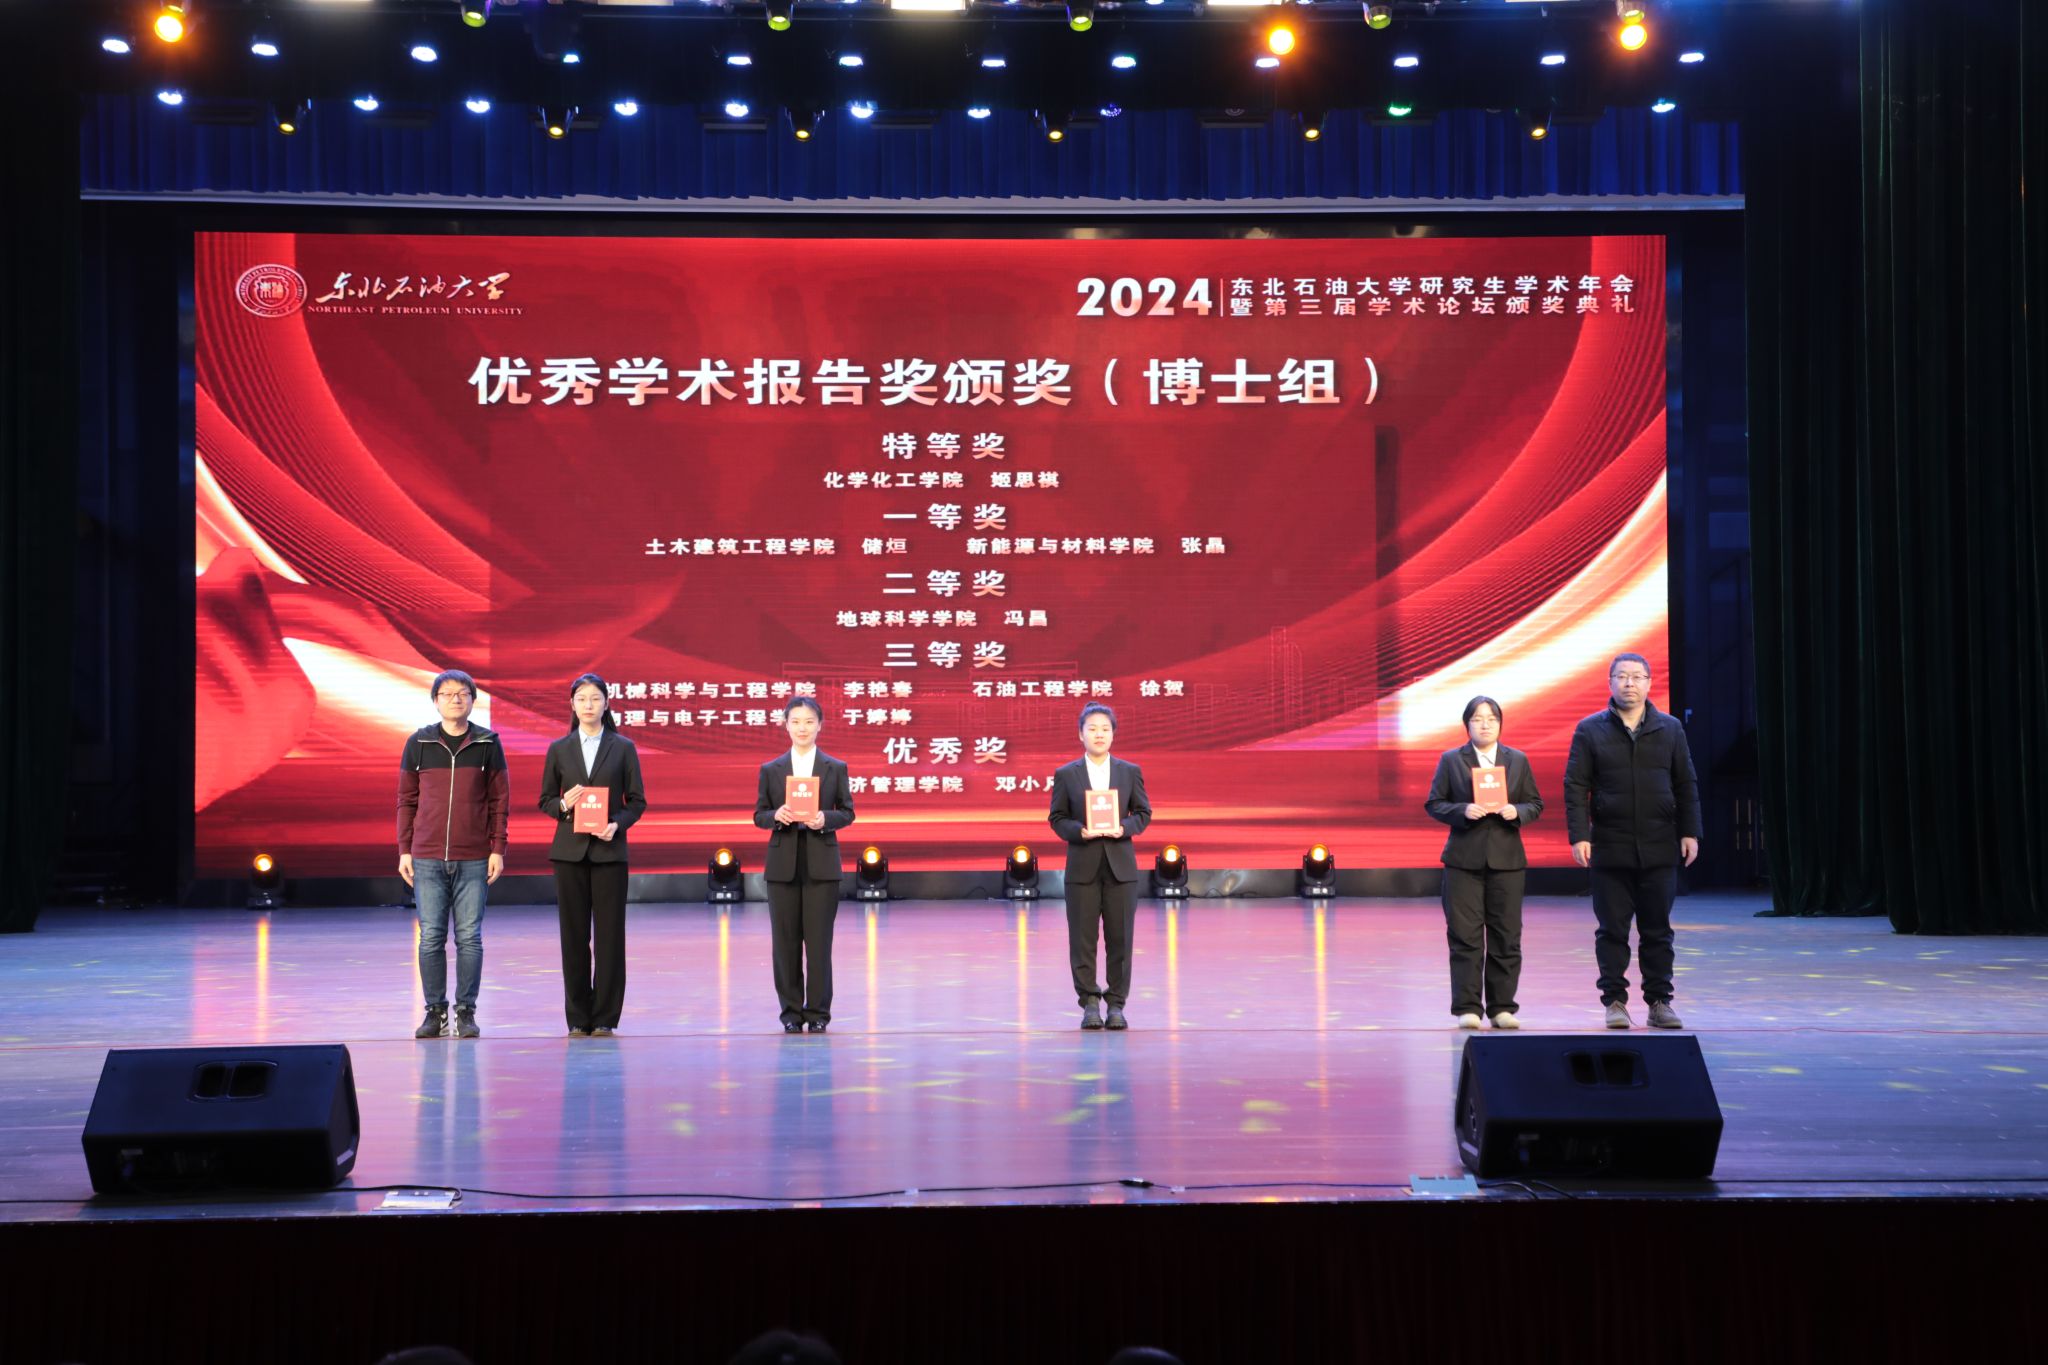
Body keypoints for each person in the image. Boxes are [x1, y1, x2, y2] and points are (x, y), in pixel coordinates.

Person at [1563, 652, 1702, 1030]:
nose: (1629, 683)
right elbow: (1575, 786)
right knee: (1612, 931)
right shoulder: (1590, 729)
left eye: (1637, 677)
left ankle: (1659, 1002)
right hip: (1610, 846)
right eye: (1622, 676)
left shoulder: (1670, 728)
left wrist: (1690, 831)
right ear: (1610, 682)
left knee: (1658, 930)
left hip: (1659, 846)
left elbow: (1685, 783)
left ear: (1649, 683)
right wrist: (1579, 835)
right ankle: (1615, 1002)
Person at [397, 669, 507, 1041]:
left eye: (463, 693)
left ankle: (466, 1012)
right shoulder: (419, 743)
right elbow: (407, 800)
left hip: (474, 856)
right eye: (447, 693)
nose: (455, 699)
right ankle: (435, 1012)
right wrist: (404, 849)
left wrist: (497, 848)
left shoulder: (488, 743)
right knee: (430, 937)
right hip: (426, 856)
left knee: (469, 938)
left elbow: (499, 802)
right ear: (435, 700)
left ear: (473, 700)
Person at [1425, 695, 1544, 1030]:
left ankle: (1502, 1008)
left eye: (1491, 718)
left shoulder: (1517, 760)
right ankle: (1468, 1008)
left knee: (1507, 936)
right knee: (1465, 936)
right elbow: (1434, 803)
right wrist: (1461, 810)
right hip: (1463, 861)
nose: (1485, 724)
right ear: (1467, 725)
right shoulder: (1452, 760)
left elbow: (1535, 803)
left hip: (1507, 861)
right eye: (1477, 719)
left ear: (1500, 723)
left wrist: (1516, 811)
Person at [537, 673, 647, 1037]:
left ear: (606, 703)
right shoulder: (559, 749)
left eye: (595, 698)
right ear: (572, 704)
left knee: (610, 937)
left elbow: (637, 801)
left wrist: (616, 824)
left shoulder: (623, 747)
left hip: (609, 852)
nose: (588, 705)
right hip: (569, 854)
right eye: (582, 699)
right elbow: (545, 800)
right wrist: (563, 805)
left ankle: (604, 1018)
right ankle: (577, 1017)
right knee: (573, 937)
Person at [753, 696, 856, 1034]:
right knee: (784, 945)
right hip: (782, 867)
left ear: (820, 725)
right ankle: (791, 1014)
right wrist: (776, 815)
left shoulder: (834, 767)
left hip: (821, 866)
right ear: (785, 725)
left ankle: (818, 1013)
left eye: (809, 721)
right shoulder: (771, 769)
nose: (802, 728)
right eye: (795, 721)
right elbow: (759, 815)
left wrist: (825, 818)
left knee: (819, 944)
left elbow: (848, 812)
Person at [1048, 703, 1153, 1030]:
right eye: (1092, 728)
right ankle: (1090, 1002)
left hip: (1121, 868)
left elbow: (1143, 813)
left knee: (1121, 938)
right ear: (1080, 734)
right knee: (1083, 940)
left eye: (1105, 729)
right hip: (1082, 868)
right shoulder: (1067, 774)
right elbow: (1057, 818)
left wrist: (1124, 827)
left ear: (1113, 734)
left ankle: (1117, 1004)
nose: (1099, 734)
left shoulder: (1129, 771)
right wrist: (1079, 831)